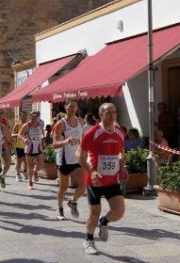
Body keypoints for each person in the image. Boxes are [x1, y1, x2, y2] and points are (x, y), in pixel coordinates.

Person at [77, 103, 128, 255]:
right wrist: (91, 172)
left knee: (118, 212)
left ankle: (104, 222)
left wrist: (122, 166)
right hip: (95, 181)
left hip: (112, 179)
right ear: (101, 115)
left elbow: (120, 152)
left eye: (114, 112)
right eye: (108, 113)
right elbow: (79, 156)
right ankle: (89, 239)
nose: (112, 115)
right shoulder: (92, 133)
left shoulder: (120, 132)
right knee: (94, 213)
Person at [53, 99, 86, 221]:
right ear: (65, 107)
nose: (72, 108)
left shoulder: (81, 122)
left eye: (75, 106)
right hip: (64, 159)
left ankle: (72, 201)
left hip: (77, 159)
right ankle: (60, 209)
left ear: (77, 108)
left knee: (83, 186)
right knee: (64, 187)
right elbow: (55, 144)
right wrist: (66, 141)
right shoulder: (61, 124)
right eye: (70, 106)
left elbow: (83, 138)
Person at [19, 111, 45, 190]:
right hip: (29, 149)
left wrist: (43, 138)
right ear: (29, 118)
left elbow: (42, 132)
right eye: (31, 118)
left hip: (38, 147)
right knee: (29, 166)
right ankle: (30, 182)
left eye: (35, 118)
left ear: (38, 118)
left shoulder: (41, 124)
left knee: (41, 165)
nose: (33, 119)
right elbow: (19, 134)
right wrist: (24, 139)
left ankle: (35, 171)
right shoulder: (26, 125)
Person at [12, 111, 28, 182]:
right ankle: (17, 174)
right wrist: (18, 135)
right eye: (23, 116)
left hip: (27, 146)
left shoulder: (28, 125)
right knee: (19, 161)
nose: (24, 117)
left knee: (26, 161)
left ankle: (25, 172)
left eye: (25, 116)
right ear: (20, 117)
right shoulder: (17, 125)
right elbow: (12, 135)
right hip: (19, 146)